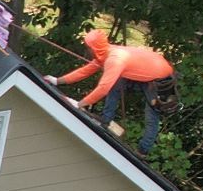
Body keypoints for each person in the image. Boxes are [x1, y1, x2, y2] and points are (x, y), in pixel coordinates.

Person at [58, 27, 177, 155]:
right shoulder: (106, 53)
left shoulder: (115, 59)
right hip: (147, 73)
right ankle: (106, 119)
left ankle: (143, 150)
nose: (87, 50)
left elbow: (103, 88)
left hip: (160, 79)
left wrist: (79, 104)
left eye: (88, 47)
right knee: (115, 83)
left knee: (152, 115)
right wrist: (57, 81)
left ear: (95, 48)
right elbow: (85, 71)